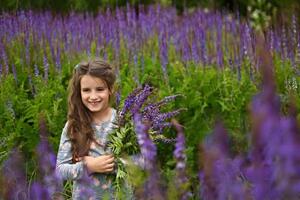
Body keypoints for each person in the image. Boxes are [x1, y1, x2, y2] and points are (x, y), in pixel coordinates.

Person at [56, 58, 118, 199]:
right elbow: (60, 170)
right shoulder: (74, 125)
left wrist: (110, 164)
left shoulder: (123, 121)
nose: (93, 96)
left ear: (110, 89)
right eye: (86, 90)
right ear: (79, 92)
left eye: (100, 89)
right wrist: (87, 167)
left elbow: (143, 161)